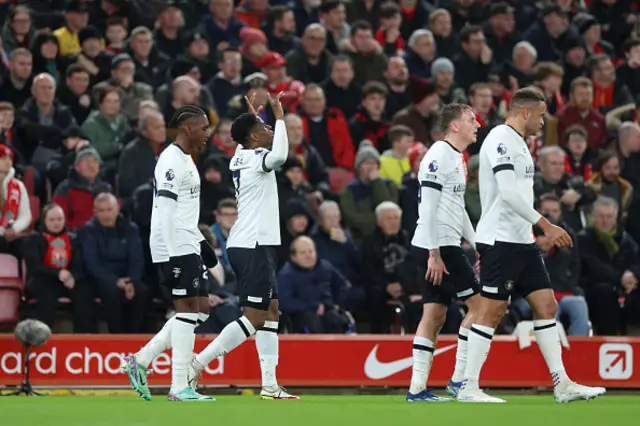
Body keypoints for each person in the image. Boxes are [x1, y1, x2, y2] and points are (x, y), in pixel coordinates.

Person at [459, 88, 606, 403]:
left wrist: (533, 229)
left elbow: (520, 197)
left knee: (546, 306)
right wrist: (546, 224)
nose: (543, 122)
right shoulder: (500, 138)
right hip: (500, 238)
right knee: (493, 311)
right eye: (541, 115)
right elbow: (508, 194)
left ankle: (562, 383)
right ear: (525, 112)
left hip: (521, 240)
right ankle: (469, 387)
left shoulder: (520, 143)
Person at [189, 92, 298, 400]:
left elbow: (245, 138)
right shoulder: (255, 158)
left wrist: (257, 120)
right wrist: (278, 116)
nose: (271, 132)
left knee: (272, 311)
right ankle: (196, 364)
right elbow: (279, 157)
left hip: (254, 242)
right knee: (255, 316)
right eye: (264, 130)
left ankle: (269, 385)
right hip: (253, 243)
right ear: (253, 137)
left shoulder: (241, 153)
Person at [121, 105, 219, 402]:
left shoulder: (186, 158)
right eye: (203, 128)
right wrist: (176, 251)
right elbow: (164, 211)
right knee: (187, 309)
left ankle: (141, 360)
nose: (207, 133)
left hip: (186, 241)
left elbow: (183, 212)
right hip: (172, 246)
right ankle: (179, 387)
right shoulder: (170, 161)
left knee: (200, 309)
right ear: (188, 129)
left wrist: (200, 243)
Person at [407, 103, 482, 402]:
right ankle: (460, 381)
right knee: (482, 308)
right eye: (470, 119)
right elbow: (428, 205)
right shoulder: (439, 154)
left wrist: (477, 245)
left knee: (434, 315)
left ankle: (417, 388)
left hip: (438, 244)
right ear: (454, 126)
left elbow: (457, 207)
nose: (477, 124)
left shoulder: (457, 158)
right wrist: (434, 253)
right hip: (439, 245)